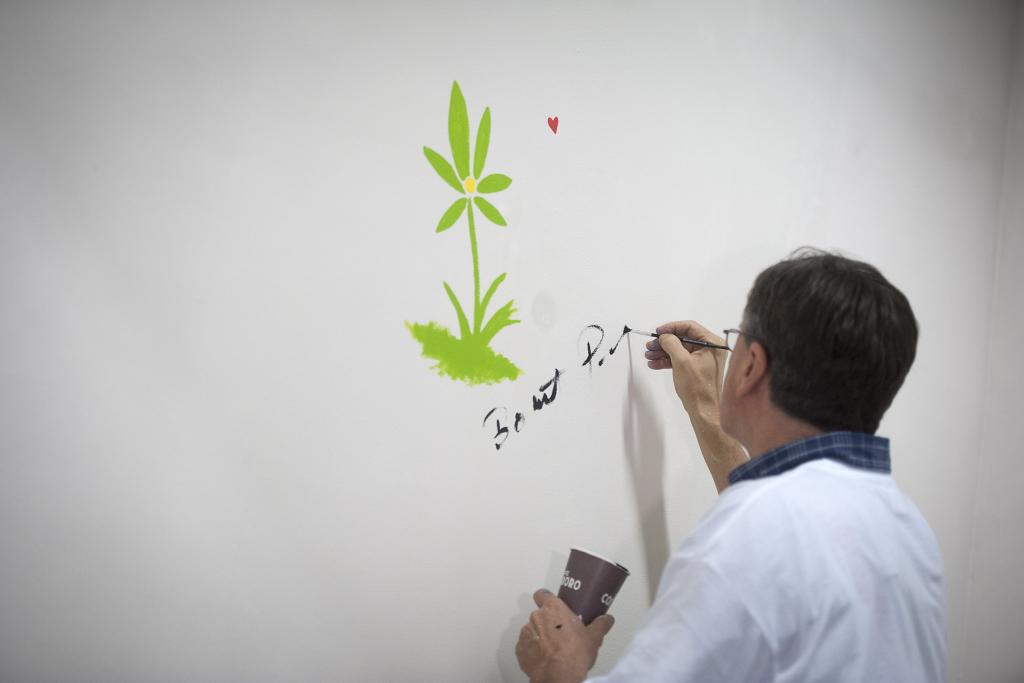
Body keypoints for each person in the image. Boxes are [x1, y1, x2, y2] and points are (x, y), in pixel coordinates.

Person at [515, 248, 947, 682]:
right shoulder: (906, 526)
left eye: (736, 337)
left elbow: (764, 532)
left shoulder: (750, 533)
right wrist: (708, 409)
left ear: (752, 366)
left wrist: (558, 667)